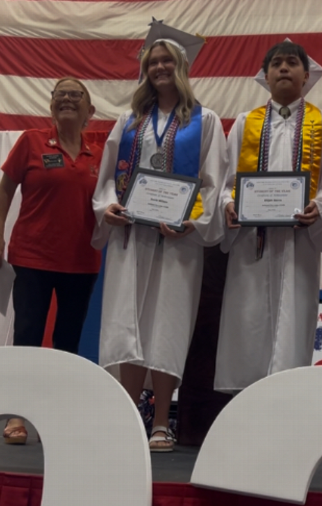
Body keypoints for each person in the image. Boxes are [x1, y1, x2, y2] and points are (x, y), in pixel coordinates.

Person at [92, 21, 228, 453]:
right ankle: (130, 413)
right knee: (128, 322)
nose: (160, 67)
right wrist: (107, 206)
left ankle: (162, 422)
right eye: (153, 62)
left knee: (167, 325)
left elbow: (214, 181)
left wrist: (194, 220)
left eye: (168, 60)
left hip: (178, 239)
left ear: (182, 67)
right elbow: (108, 178)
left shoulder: (204, 121)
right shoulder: (128, 121)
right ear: (146, 69)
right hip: (131, 237)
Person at [214, 41, 322, 394]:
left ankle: (288, 399)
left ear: (307, 75)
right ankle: (246, 400)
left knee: (294, 315)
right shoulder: (246, 123)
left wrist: (319, 207)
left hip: (299, 242)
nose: (284, 68)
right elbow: (226, 182)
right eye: (276, 63)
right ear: (266, 75)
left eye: (292, 63)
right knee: (248, 318)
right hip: (251, 244)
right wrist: (229, 203)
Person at [0, 77, 103, 445]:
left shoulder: (100, 153)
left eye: (75, 95)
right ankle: (18, 412)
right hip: (33, 257)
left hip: (82, 262)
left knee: (67, 340)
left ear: (90, 111)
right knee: (28, 336)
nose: (67, 99)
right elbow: (5, 191)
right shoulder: (31, 142)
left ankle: (56, 411)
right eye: (60, 94)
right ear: (51, 104)